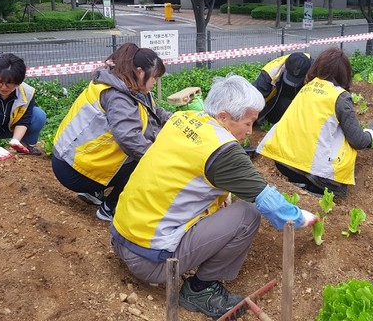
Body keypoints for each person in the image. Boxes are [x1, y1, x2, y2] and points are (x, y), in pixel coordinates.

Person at [110, 74, 317, 319]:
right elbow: (266, 199)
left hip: (122, 237)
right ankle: (201, 289)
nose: (250, 132)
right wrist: (300, 217)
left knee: (222, 204)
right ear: (223, 117)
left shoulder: (182, 118)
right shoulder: (222, 151)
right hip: (150, 261)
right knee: (247, 215)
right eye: (248, 123)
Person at [52, 43, 172, 221]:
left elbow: (156, 111)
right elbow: (129, 138)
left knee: (143, 151)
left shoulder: (126, 84)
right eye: (154, 77)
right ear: (140, 72)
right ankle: (110, 208)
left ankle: (94, 192)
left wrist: (180, 121)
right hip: (73, 169)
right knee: (144, 161)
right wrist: (160, 161)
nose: (155, 82)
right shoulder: (118, 96)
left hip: (72, 157)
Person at [257, 47, 373, 197]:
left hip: (282, 162)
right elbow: (358, 141)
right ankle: (314, 186)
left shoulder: (306, 88)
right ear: (345, 74)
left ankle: (301, 182)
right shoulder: (340, 97)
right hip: (313, 170)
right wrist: (369, 134)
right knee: (343, 140)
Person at [252, 52, 312, 125]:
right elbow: (254, 99)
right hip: (279, 96)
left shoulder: (314, 68)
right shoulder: (268, 75)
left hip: (301, 94)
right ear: (285, 67)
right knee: (284, 105)